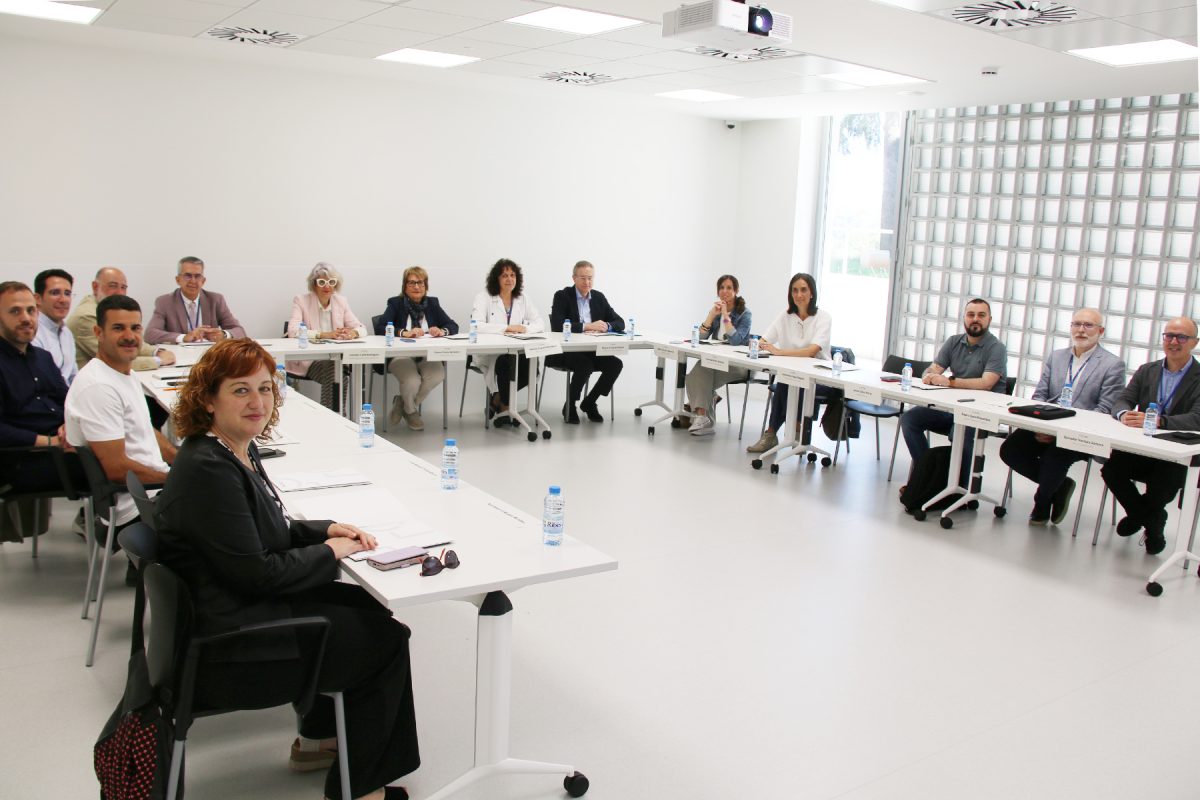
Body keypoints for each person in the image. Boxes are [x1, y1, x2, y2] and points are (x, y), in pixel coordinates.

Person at [155, 338, 419, 800]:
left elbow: (263, 527)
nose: (257, 402)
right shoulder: (209, 470)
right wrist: (330, 552)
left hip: (228, 610)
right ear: (208, 399)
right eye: (240, 390)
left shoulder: (228, 449)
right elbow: (260, 573)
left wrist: (324, 529)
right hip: (229, 648)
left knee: (366, 606)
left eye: (265, 388)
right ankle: (362, 789)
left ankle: (317, 741)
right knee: (385, 640)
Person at [999, 309, 1126, 525]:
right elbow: (1039, 396)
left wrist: (1061, 432)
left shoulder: (1112, 364)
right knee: (1010, 450)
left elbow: (1104, 409)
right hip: (1046, 423)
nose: (1081, 330)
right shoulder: (1057, 356)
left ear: (1101, 331)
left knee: (1054, 458)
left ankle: (1042, 502)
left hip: (1082, 433)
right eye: (1076, 324)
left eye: (1088, 325)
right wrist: (1041, 426)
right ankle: (1060, 486)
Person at [65, 295, 175, 540]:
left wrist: (182, 462)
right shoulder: (98, 387)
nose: (129, 336)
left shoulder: (125, 374)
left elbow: (146, 431)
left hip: (155, 491)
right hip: (137, 507)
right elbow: (116, 469)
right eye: (118, 328)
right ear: (98, 333)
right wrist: (175, 479)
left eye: (135, 328)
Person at [1101, 317, 1200, 555]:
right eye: (1169, 336)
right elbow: (1122, 400)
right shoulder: (1148, 370)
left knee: (1162, 487)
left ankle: (1142, 519)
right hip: (1142, 446)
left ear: (1194, 342)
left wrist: (1160, 421)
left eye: (1181, 337)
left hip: (1177, 453)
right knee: (1112, 470)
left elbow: (1197, 418)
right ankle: (1150, 519)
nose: (1173, 342)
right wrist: (1124, 414)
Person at [897, 298, 1007, 482]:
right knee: (909, 419)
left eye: (981, 315)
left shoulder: (997, 348)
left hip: (981, 414)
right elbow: (933, 369)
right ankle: (928, 476)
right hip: (953, 408)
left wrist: (949, 382)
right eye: (971, 315)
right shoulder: (954, 342)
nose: (975, 319)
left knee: (960, 432)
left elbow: (986, 383)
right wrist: (930, 375)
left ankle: (960, 487)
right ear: (964, 318)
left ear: (989, 319)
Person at [0, 281, 84, 495]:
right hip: (22, 458)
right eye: (15, 311)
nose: (26, 318)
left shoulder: (43, 358)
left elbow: (67, 401)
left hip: (60, 446)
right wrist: (50, 442)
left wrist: (67, 425)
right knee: (109, 464)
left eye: (31, 311)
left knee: (123, 447)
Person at [745, 273, 831, 454]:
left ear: (812, 293)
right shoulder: (785, 316)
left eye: (803, 290)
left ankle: (786, 432)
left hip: (820, 378)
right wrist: (758, 345)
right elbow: (765, 340)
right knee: (787, 381)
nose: (799, 295)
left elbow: (811, 351)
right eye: (795, 290)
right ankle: (786, 433)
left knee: (788, 382)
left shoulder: (823, 317)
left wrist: (779, 352)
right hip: (793, 376)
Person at [375, 266, 458, 431]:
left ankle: (403, 405)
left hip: (426, 355)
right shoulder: (395, 303)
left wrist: (441, 331)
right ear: (404, 286)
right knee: (412, 381)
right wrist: (403, 332)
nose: (416, 286)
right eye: (411, 283)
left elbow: (453, 325)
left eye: (420, 282)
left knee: (437, 375)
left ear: (426, 285)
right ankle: (412, 411)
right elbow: (380, 327)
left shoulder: (432, 304)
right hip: (401, 356)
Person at [546, 260, 625, 424]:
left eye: (590, 278)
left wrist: (606, 326)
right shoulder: (562, 296)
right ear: (574, 278)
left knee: (615, 364)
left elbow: (620, 322)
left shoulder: (598, 297)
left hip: (591, 351)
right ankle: (570, 405)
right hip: (565, 352)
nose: (587, 282)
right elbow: (557, 325)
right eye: (582, 278)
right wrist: (587, 326)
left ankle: (589, 402)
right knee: (585, 365)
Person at [469, 258, 544, 427]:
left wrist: (525, 329)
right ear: (496, 279)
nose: (509, 279)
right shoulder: (484, 297)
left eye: (512, 275)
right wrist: (506, 328)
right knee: (506, 363)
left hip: (517, 349)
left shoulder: (523, 298)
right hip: (491, 353)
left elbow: (540, 323)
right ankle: (505, 408)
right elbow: (476, 325)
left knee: (531, 365)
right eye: (504, 275)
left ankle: (497, 398)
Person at [286, 262, 367, 411]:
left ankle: (331, 414)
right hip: (308, 361)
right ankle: (337, 414)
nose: (327, 286)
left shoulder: (341, 301)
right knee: (338, 371)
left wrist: (352, 333)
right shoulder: (301, 300)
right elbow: (292, 331)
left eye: (331, 282)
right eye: (322, 282)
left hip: (334, 360)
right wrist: (324, 334)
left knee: (338, 370)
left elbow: (362, 328)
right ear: (314, 284)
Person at [68, 267, 176, 371]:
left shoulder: (107, 310)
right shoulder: (86, 316)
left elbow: (132, 343)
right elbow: (115, 359)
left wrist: (157, 352)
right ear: (95, 287)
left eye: (123, 287)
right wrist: (158, 360)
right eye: (113, 286)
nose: (120, 293)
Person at [685, 274, 752, 436]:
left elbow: (736, 341)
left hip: (738, 364)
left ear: (736, 290)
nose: (725, 291)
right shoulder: (716, 312)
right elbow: (700, 338)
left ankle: (704, 417)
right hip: (717, 361)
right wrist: (711, 316)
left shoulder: (745, 314)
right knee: (696, 374)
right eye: (722, 288)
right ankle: (703, 417)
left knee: (699, 374)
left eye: (729, 288)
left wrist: (726, 316)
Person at [145, 256, 246, 344]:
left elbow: (240, 331)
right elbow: (150, 334)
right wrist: (184, 337)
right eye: (187, 276)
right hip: (179, 354)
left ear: (203, 281)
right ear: (178, 280)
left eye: (197, 276)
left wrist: (223, 334)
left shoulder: (215, 300)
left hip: (208, 354)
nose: (193, 281)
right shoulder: (164, 302)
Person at [32, 268, 78, 385]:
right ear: (38, 299)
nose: (63, 300)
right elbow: (41, 380)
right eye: (55, 293)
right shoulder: (32, 332)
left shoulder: (66, 332)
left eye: (67, 293)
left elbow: (73, 376)